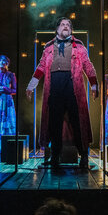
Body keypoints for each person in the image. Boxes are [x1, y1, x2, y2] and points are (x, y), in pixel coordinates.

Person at [26, 16, 99, 169]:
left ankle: (84, 156)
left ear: (71, 29)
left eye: (68, 25)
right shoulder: (48, 46)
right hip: (55, 87)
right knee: (54, 124)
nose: (66, 26)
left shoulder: (79, 46)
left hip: (72, 87)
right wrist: (31, 85)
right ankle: (55, 157)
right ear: (57, 28)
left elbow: (87, 65)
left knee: (77, 123)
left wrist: (94, 85)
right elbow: (41, 66)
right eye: (62, 24)